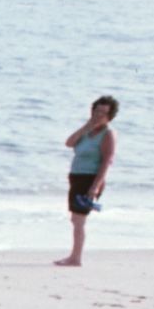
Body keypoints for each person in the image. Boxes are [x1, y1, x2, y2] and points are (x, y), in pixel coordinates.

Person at [55, 95, 119, 267]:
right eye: (96, 111)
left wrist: (95, 187)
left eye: (103, 113)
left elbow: (107, 161)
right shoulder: (88, 131)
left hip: (90, 179)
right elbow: (69, 143)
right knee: (75, 219)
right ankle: (74, 256)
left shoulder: (108, 134)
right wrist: (87, 126)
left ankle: (75, 258)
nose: (98, 115)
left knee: (79, 220)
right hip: (76, 177)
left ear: (110, 116)